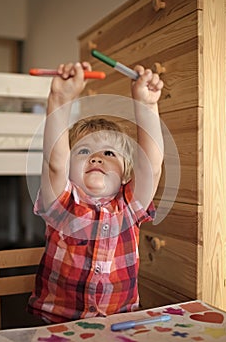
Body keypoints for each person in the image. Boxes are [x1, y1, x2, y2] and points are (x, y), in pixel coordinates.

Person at [28, 61, 164, 323]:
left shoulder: (129, 204)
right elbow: (54, 162)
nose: (97, 158)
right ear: (70, 165)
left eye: (109, 153)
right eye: (83, 151)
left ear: (126, 173)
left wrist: (147, 105)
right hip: (57, 325)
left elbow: (152, 167)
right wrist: (59, 99)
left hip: (118, 325)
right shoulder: (62, 202)